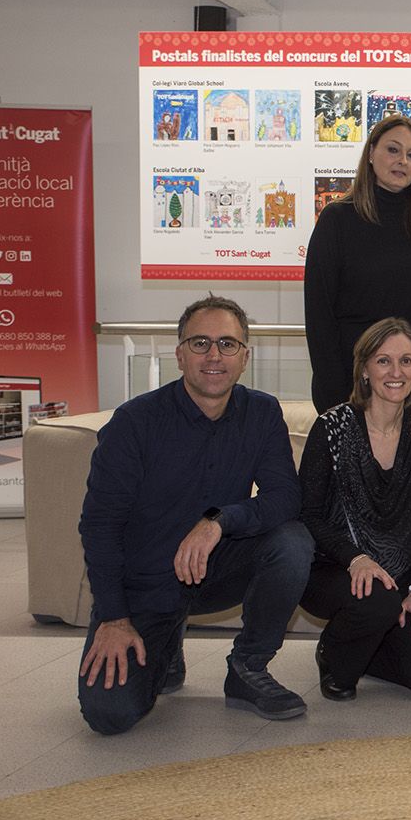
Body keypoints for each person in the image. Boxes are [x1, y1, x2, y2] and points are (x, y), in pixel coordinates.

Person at [76, 295, 312, 734]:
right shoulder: (133, 423)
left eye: (228, 344)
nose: (214, 356)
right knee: (109, 714)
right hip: (147, 585)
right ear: (179, 354)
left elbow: (285, 498)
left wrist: (218, 521)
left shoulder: (261, 413)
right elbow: (99, 526)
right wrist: (113, 618)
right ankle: (165, 645)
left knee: (292, 542)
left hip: (216, 570)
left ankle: (247, 668)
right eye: (200, 343)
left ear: (245, 357)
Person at [305, 113, 411, 621]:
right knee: (354, 505)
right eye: (393, 150)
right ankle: (366, 616)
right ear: (370, 154)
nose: (402, 162)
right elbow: (319, 313)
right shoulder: (338, 220)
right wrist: (333, 398)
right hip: (355, 392)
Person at [298, 318, 411, 702]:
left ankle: (368, 646)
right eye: (384, 361)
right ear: (365, 369)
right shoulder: (332, 427)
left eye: (406, 361)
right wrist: (355, 558)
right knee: (377, 601)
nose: (396, 372)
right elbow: (308, 514)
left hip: (398, 574)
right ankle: (334, 653)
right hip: (335, 568)